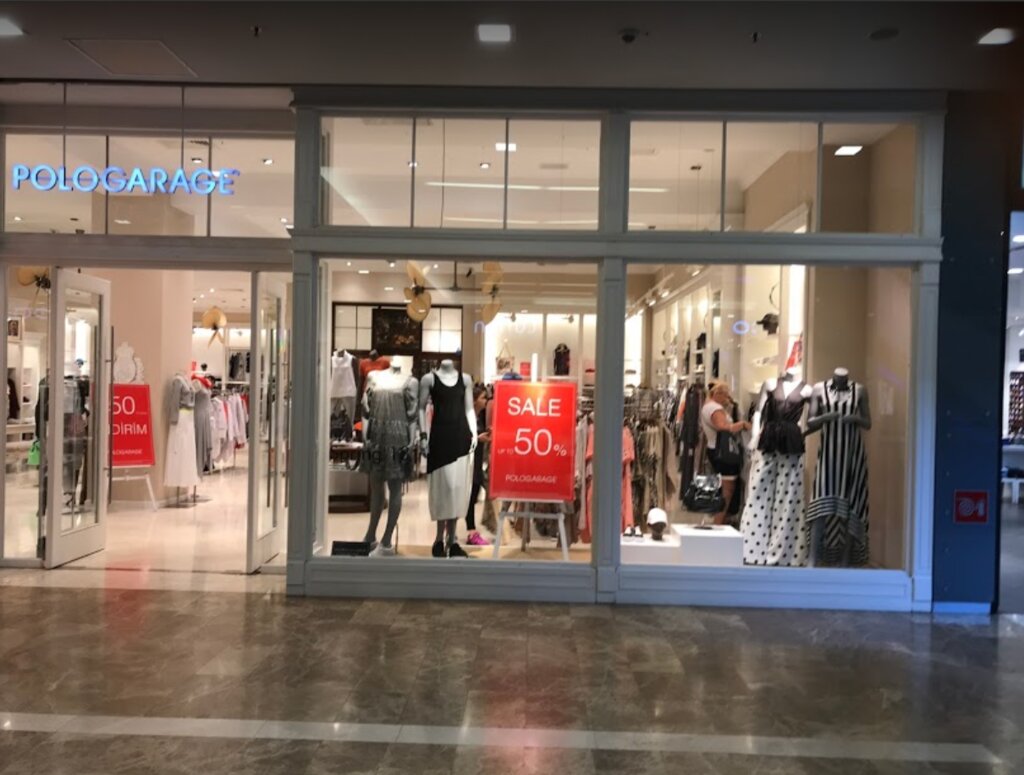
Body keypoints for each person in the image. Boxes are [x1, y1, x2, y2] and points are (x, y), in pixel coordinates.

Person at [700, 381, 750, 525]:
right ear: (718, 394)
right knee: (727, 490)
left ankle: (720, 521)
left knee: (723, 488)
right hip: (722, 452)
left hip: (715, 449)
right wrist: (743, 424)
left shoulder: (708, 406)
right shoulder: (715, 409)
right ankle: (718, 524)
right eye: (726, 395)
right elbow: (723, 427)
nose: (728, 398)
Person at [465, 385, 492, 545]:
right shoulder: (467, 418)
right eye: (483, 397)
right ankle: (471, 531)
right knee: (469, 497)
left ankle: (470, 530)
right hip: (468, 463)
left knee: (473, 496)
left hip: (476, 463)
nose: (486, 400)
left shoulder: (478, 417)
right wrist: (477, 438)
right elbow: (462, 438)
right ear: (474, 400)